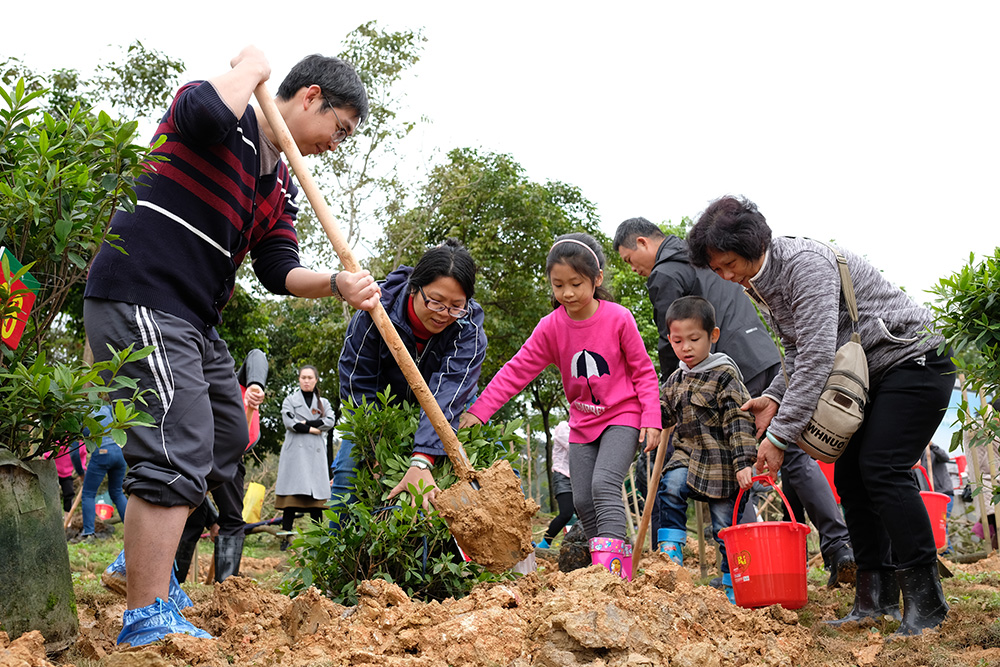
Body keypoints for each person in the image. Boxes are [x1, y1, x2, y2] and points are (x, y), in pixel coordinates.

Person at [83, 46, 377, 646]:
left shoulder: (279, 184)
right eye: (338, 129)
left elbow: (277, 268)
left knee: (225, 435)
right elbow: (198, 112)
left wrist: (336, 284)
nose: (335, 143)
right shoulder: (231, 113)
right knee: (175, 445)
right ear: (310, 96)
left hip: (194, 319)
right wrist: (251, 65)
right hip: (144, 294)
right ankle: (146, 613)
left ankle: (135, 565)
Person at [686, 195, 955, 636]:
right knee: (850, 477)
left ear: (754, 245)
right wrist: (773, 397)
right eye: (716, 270)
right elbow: (795, 350)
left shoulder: (804, 266)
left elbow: (815, 357)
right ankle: (875, 597)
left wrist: (777, 438)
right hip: (870, 375)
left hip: (914, 361)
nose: (727, 276)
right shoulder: (759, 281)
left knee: (882, 468)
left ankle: (926, 599)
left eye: (729, 264)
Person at [613, 217, 856, 587]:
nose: (634, 269)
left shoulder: (666, 272)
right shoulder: (700, 259)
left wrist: (673, 392)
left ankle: (755, 562)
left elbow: (670, 341)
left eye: (630, 260)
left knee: (760, 459)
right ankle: (832, 549)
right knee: (791, 458)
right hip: (764, 357)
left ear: (644, 243)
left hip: (727, 372)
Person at [459, 233, 661, 580]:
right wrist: (479, 411)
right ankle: (602, 571)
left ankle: (616, 578)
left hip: (623, 416)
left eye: (576, 284)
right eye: (558, 284)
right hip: (582, 423)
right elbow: (516, 371)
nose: (567, 293)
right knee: (582, 499)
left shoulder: (618, 318)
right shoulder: (551, 328)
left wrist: (652, 418)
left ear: (596, 280)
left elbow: (644, 371)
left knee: (604, 486)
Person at [331, 239, 487, 514]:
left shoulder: (468, 329)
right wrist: (375, 448)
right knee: (347, 477)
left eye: (456, 306)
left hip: (444, 409)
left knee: (486, 476)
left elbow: (450, 390)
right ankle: (335, 552)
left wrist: (422, 459)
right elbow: (359, 384)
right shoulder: (375, 310)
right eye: (436, 302)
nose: (444, 315)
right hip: (382, 409)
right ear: (414, 287)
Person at [658, 296, 756, 603]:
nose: (685, 347)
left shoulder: (725, 375)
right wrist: (647, 409)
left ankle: (732, 586)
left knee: (725, 527)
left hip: (721, 462)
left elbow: (739, 420)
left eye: (694, 339)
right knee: (671, 486)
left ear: (712, 336)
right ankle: (670, 558)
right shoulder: (675, 378)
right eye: (677, 341)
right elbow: (664, 413)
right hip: (687, 454)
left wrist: (743, 462)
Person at [173, 348, 269, 582]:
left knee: (226, 520)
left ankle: (225, 588)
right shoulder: (202, 394)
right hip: (202, 453)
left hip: (229, 457)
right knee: (194, 517)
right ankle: (169, 585)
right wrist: (213, 519)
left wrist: (255, 385)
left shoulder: (238, 387)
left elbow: (256, 355)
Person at [275, 365, 335, 548]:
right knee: (290, 501)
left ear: (316, 380)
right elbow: (289, 423)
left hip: (315, 455)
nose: (306, 381)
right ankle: (285, 539)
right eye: (303, 377)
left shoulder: (323, 403)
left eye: (310, 377)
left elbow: (330, 421)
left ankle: (318, 539)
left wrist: (304, 423)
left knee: (315, 501)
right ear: (299, 380)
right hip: (295, 454)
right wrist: (314, 428)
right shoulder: (289, 400)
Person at [74, 404, 128, 542]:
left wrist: (80, 473)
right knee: (117, 492)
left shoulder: (77, 414)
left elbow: (74, 453)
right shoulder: (105, 407)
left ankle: (89, 533)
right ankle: (131, 528)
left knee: (88, 494)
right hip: (119, 452)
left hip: (102, 453)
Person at [536, 420, 575, 550]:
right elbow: (574, 447)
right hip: (562, 476)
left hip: (577, 478)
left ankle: (581, 544)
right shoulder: (564, 427)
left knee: (585, 514)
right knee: (566, 513)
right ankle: (545, 544)